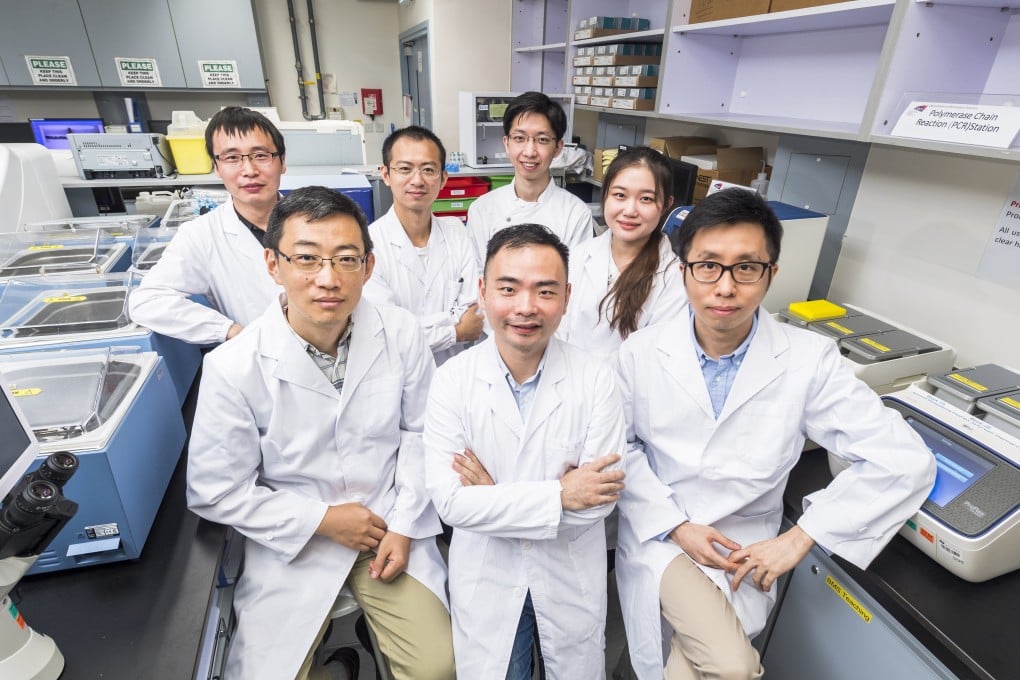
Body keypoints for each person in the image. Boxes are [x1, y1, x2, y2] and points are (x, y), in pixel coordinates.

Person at [614, 188, 936, 680]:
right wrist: (676, 525)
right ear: (683, 272)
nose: (725, 287)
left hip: (745, 547)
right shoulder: (641, 352)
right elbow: (619, 449)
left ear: (771, 274)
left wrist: (802, 535)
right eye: (708, 266)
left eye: (746, 267)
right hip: (664, 532)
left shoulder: (809, 359)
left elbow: (903, 459)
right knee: (733, 668)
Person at [187, 186, 455, 680]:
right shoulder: (233, 366)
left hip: (387, 525)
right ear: (273, 264)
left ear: (368, 267)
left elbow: (422, 435)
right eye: (306, 259)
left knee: (441, 667)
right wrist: (324, 520)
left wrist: (403, 525)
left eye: (346, 259)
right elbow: (215, 490)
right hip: (296, 541)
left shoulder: (400, 333)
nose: (328, 279)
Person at [424, 223, 626, 680]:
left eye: (545, 291)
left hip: (568, 576)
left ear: (567, 297)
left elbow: (599, 502)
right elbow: (451, 503)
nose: (526, 307)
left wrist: (493, 496)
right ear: (482, 291)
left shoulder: (596, 378)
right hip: (488, 576)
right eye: (508, 288)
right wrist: (561, 494)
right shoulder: (452, 380)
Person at [129, 106, 286, 344]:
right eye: (232, 158)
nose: (249, 170)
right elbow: (147, 301)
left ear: (282, 162)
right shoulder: (200, 235)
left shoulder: (317, 220)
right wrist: (230, 331)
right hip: (263, 354)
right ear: (217, 167)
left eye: (261, 155)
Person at [364, 125, 482, 365]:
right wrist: (455, 331)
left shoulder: (457, 234)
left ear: (443, 178)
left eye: (428, 170)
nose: (417, 180)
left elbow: (474, 312)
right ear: (385, 175)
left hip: (453, 372)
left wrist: (412, 327)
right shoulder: (369, 245)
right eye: (405, 169)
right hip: (395, 376)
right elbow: (385, 334)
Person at [560, 145, 688, 357]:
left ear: (667, 205)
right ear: (605, 195)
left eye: (646, 199)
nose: (629, 211)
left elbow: (655, 357)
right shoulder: (578, 256)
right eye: (620, 195)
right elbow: (558, 330)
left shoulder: (674, 279)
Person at [466, 91, 594, 262]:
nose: (529, 152)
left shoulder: (575, 213)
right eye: (519, 138)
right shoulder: (482, 209)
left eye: (542, 140)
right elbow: (477, 273)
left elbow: (576, 275)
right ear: (507, 143)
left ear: (558, 148)